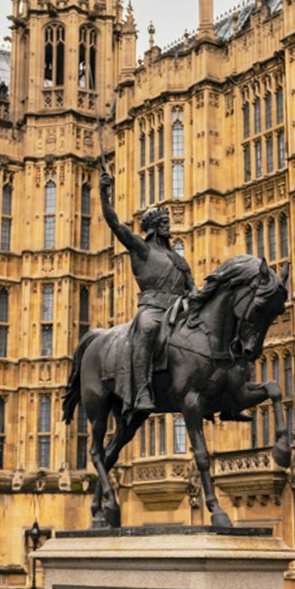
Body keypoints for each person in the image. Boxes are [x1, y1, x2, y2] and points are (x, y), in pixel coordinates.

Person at [99, 171, 193, 414]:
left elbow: (193, 291)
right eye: (163, 222)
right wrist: (104, 194)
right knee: (148, 328)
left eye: (167, 222)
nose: (168, 226)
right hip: (152, 308)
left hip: (178, 311)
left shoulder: (178, 260)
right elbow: (115, 224)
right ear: (152, 227)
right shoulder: (142, 249)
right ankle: (141, 390)